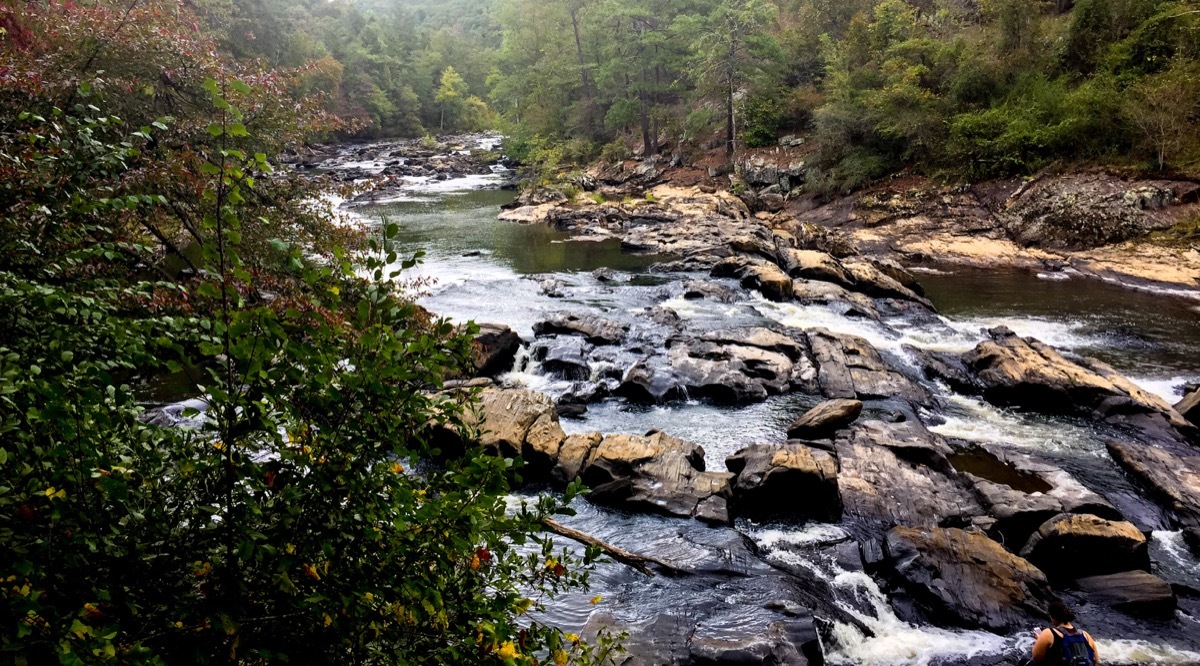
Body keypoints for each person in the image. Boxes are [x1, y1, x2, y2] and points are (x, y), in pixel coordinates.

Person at [1030, 600, 1098, 665]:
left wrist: (1039, 640)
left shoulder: (1048, 633)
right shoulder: (1085, 635)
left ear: (1053, 618)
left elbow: (1036, 657)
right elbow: (1096, 660)